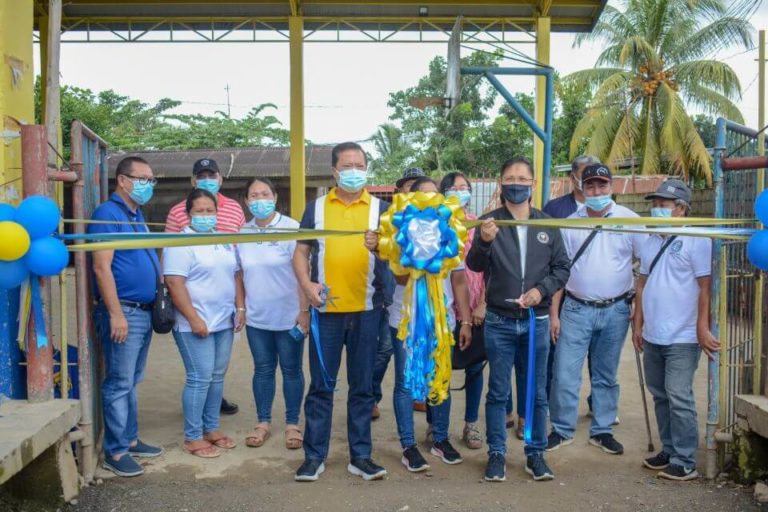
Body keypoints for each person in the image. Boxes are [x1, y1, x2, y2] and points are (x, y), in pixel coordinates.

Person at [466, 157, 570, 482]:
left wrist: (542, 291)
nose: (516, 183)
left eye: (523, 178)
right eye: (510, 177)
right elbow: (475, 265)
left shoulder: (547, 224)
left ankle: (534, 453)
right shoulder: (490, 222)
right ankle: (496, 453)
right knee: (498, 392)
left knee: (536, 392)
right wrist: (484, 242)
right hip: (499, 320)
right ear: (500, 184)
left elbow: (562, 268)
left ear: (533, 184)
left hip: (536, 321)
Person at [293, 142, 390, 482]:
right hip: (327, 313)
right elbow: (300, 253)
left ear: (366, 168)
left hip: (367, 311)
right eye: (346, 165)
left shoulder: (382, 208)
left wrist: (381, 246)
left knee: (362, 388)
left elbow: (397, 256)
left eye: (359, 164)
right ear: (334, 171)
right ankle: (313, 457)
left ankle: (360, 457)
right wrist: (307, 287)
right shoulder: (316, 208)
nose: (353, 170)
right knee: (321, 387)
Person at [547, 164, 645, 456]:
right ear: (581, 188)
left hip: (616, 310)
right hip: (576, 309)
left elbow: (647, 264)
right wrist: (554, 314)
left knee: (605, 374)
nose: (596, 192)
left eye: (602, 186)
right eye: (590, 186)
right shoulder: (569, 222)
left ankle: (602, 430)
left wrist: (638, 307)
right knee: (565, 373)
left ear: (611, 187)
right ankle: (562, 429)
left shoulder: (631, 220)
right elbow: (559, 271)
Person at [382, 176, 472, 472]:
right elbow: (398, 277)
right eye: (424, 195)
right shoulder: (399, 229)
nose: (430, 200)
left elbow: (459, 279)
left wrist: (465, 319)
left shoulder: (450, 229)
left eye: (435, 195)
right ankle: (408, 445)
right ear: (412, 200)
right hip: (405, 320)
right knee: (406, 382)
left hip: (442, 320)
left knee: (440, 378)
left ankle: (440, 438)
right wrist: (416, 252)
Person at [633, 179, 718, 481]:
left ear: (681, 208)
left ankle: (685, 460)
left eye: (663, 204)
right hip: (654, 333)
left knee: (678, 395)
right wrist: (638, 322)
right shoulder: (648, 237)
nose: (657, 208)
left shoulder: (697, 238)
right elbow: (642, 283)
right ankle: (669, 450)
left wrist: (701, 327)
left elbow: (705, 288)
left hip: (682, 335)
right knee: (659, 394)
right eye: (655, 203)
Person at [90, 156, 164, 477]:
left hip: (142, 312)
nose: (148, 184)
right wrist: (115, 313)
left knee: (132, 380)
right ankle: (116, 451)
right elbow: (101, 266)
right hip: (124, 311)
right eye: (142, 178)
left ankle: (130, 440)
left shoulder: (136, 215)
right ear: (123, 180)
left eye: (151, 179)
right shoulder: (108, 214)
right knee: (119, 383)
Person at [164, 189, 245, 458]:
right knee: (199, 378)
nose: (205, 215)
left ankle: (211, 428)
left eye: (210, 211)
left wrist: (239, 308)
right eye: (199, 211)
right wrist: (194, 318)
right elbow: (175, 283)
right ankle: (193, 436)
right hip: (193, 324)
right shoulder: (180, 243)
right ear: (189, 214)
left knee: (216, 376)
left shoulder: (221, 241)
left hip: (222, 321)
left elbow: (235, 276)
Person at [237, 177, 307, 450]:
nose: (259, 200)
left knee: (291, 370)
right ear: (246, 201)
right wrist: (241, 308)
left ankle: (292, 424)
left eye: (264, 194)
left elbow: (304, 274)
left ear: (275, 197)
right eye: (253, 196)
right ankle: (263, 422)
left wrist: (304, 311)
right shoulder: (243, 231)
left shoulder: (292, 228)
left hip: (289, 315)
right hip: (257, 318)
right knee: (263, 370)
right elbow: (240, 274)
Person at [543, 155, 611, 421]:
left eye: (599, 180)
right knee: (561, 361)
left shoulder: (616, 213)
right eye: (587, 177)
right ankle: (555, 408)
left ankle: (599, 405)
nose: (593, 186)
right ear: (575, 178)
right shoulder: (555, 209)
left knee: (601, 361)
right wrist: (552, 307)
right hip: (566, 296)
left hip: (607, 302)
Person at [438, 172, 496, 448]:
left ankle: (471, 424)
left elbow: (490, 268)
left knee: (475, 369)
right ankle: (437, 427)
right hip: (445, 309)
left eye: (464, 188)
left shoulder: (481, 225)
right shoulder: (436, 223)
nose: (460, 191)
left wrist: (483, 303)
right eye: (453, 188)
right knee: (441, 370)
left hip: (476, 309)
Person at [371, 167, 425, 420]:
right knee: (384, 349)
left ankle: (418, 395)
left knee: (421, 347)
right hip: (390, 293)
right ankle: (372, 396)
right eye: (409, 185)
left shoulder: (433, 218)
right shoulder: (389, 218)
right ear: (399, 190)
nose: (413, 190)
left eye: (419, 185)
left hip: (424, 301)